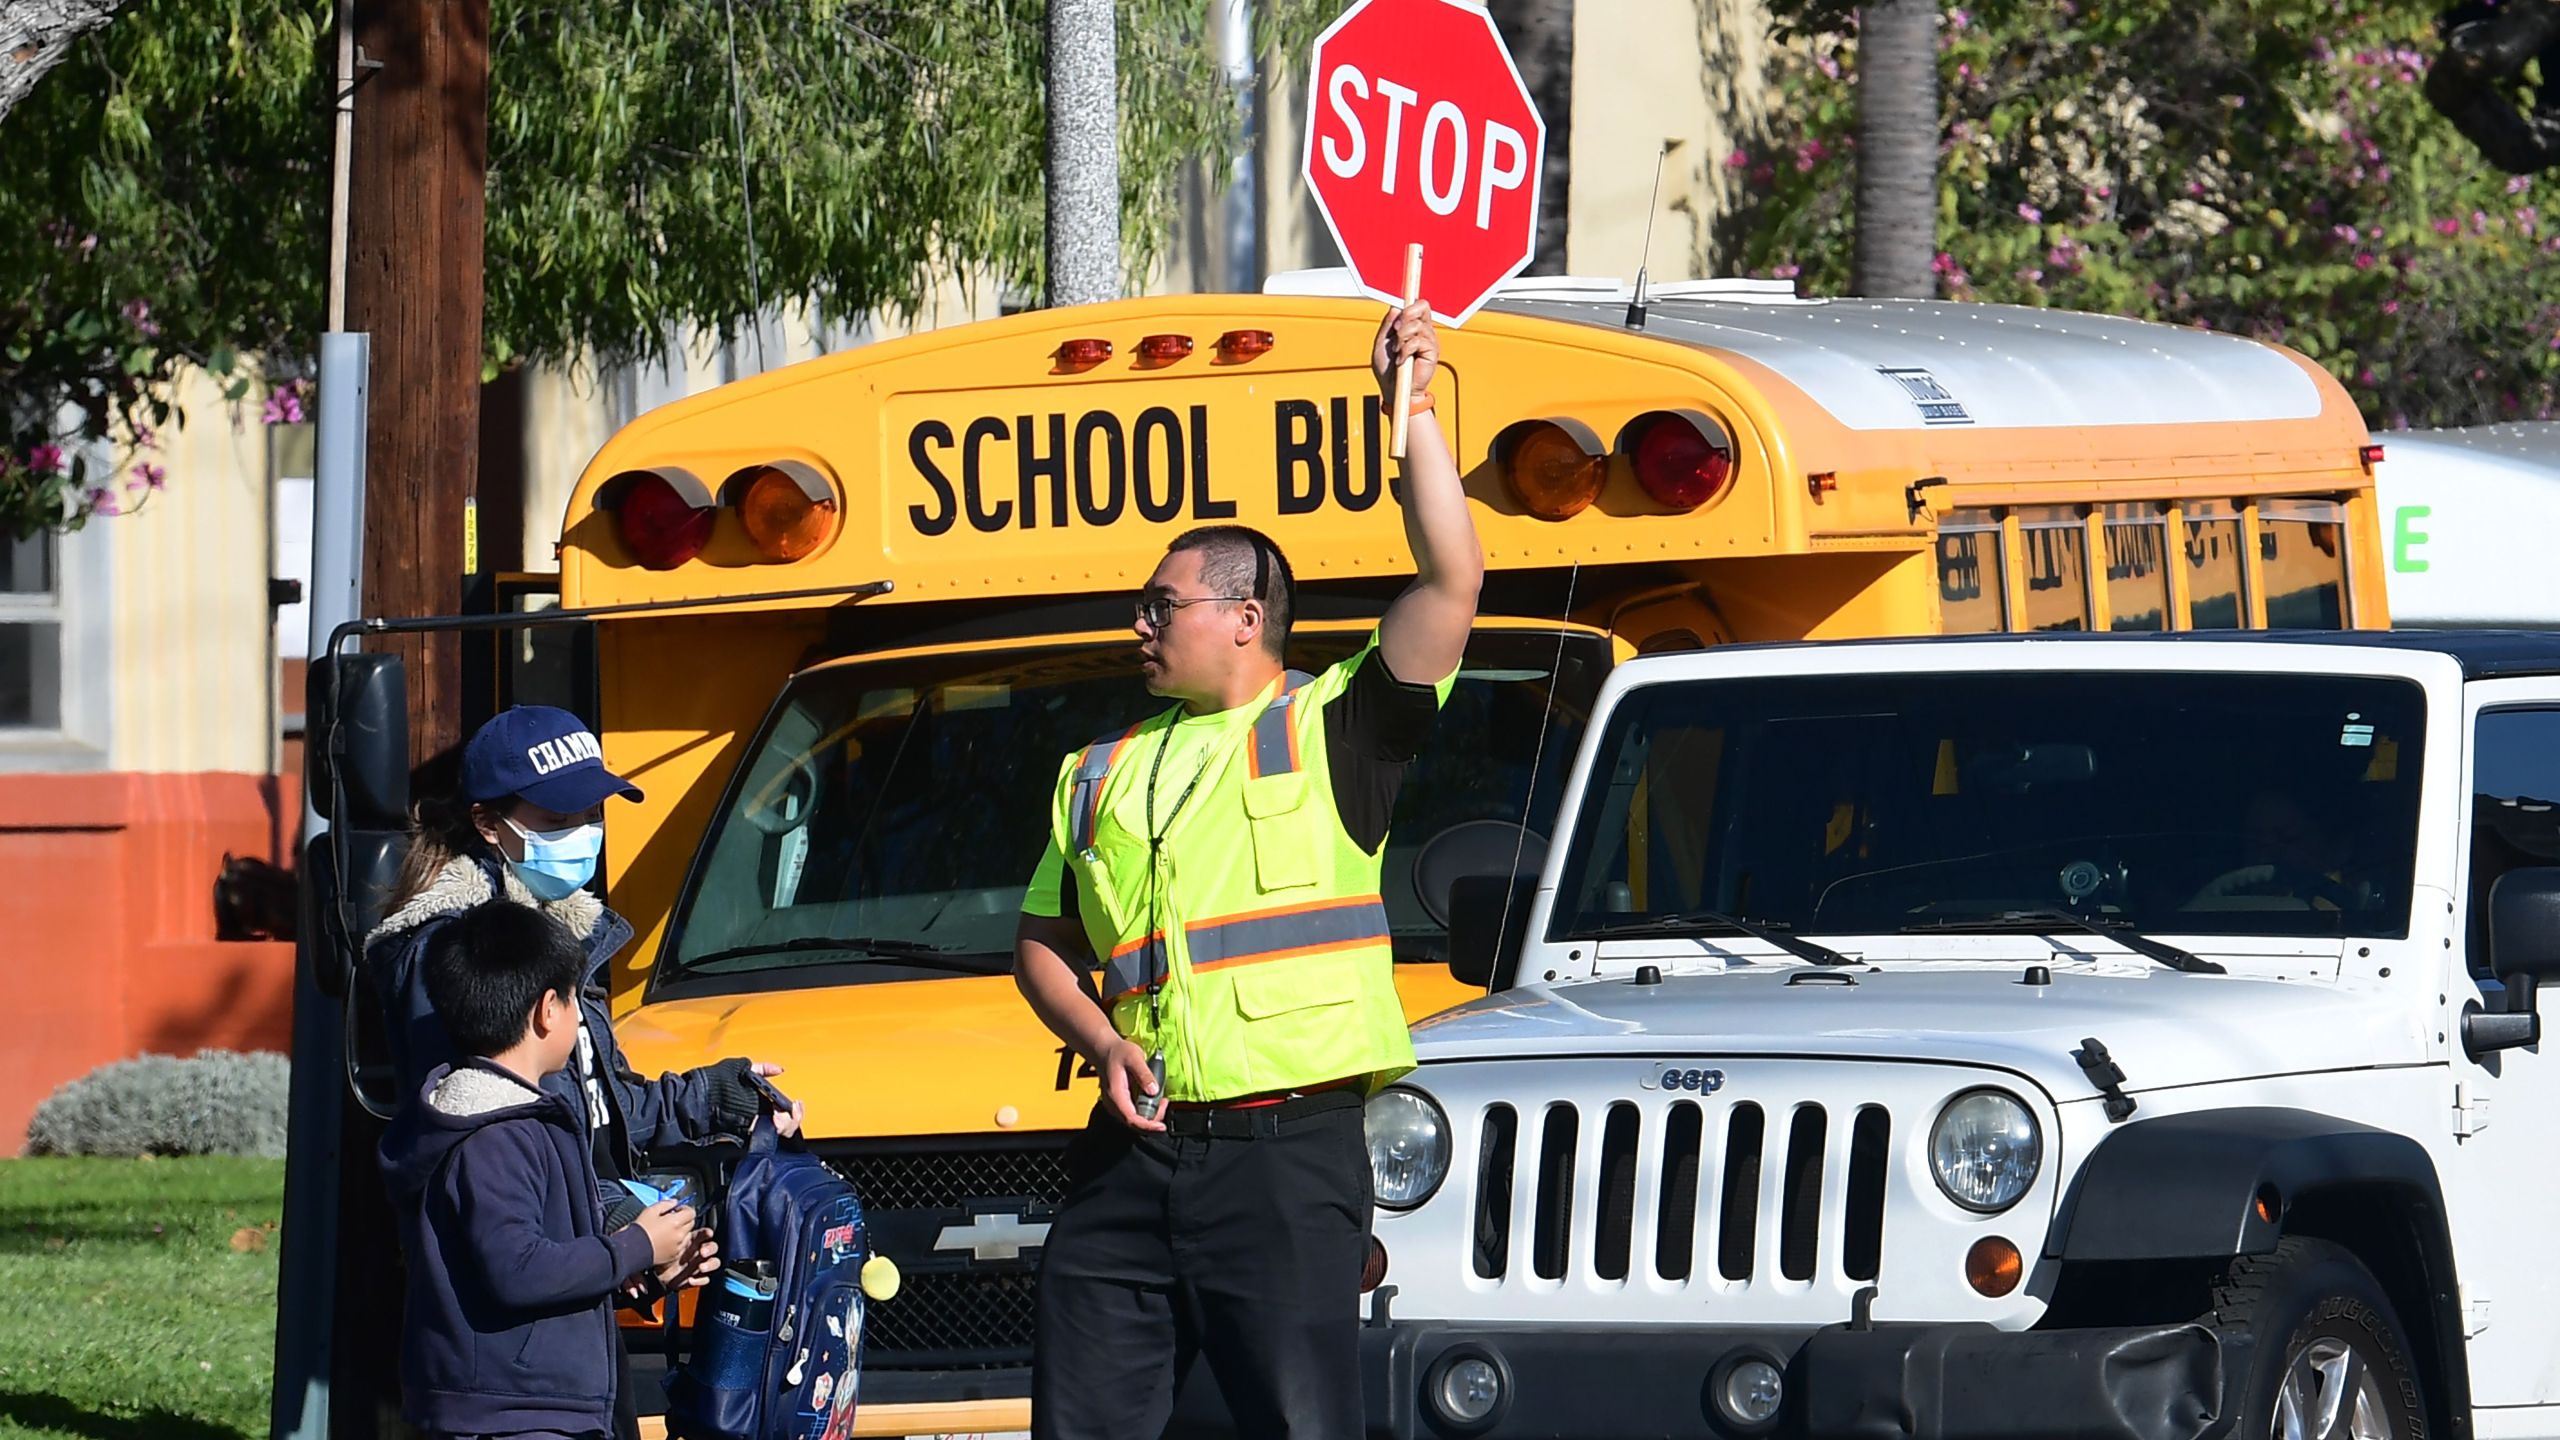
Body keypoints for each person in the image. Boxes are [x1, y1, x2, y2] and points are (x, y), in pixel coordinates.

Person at [1012, 301, 1482, 1439]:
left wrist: (1408, 409)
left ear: (1244, 617)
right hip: (1132, 1154)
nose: (1139, 624)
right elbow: (1041, 946)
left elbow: (1452, 578)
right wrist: (1103, 1041)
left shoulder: (1337, 727)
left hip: (1284, 1160)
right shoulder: (1097, 769)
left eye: (1160, 605)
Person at [366, 704, 799, 1438]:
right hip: (508, 1366)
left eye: (593, 810)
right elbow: (490, 1151)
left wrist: (721, 1096)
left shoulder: (561, 924)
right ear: (487, 823)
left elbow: (601, 1103)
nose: (586, 832)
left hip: (576, 1322)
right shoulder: (461, 958)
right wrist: (627, 1237)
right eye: (560, 814)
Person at [380, 901, 718, 1440]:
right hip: (514, 1419)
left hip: (533, 1410)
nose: (581, 1016)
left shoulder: (513, 1123)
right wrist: (633, 1246)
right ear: (546, 1011)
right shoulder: (496, 1135)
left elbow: (543, 1270)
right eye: (573, 1001)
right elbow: (517, 1270)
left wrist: (647, 1276)